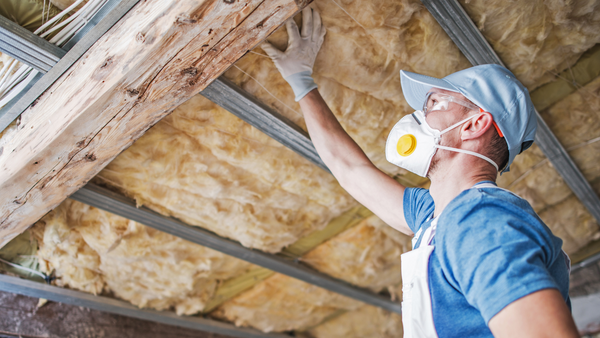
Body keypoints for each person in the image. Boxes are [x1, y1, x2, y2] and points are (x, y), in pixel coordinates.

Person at [260, 7, 580, 338]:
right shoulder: (436, 217)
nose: (418, 117)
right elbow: (351, 169)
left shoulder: (480, 220)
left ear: (474, 125)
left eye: (434, 105)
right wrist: (301, 82)